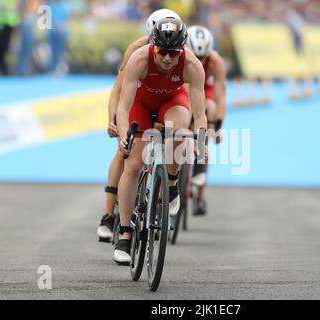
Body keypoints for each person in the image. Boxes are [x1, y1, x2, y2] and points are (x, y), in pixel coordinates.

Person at [113, 17, 207, 264]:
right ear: (153, 46)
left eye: (173, 53)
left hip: (172, 102)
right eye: (162, 52)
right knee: (132, 164)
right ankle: (125, 233)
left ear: (182, 51)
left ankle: (172, 182)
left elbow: (199, 115)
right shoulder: (139, 59)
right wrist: (125, 136)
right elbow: (123, 108)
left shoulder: (193, 66)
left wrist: (201, 143)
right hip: (140, 105)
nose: (167, 58)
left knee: (179, 131)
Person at [97, 8, 181, 242]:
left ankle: (157, 203)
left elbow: (185, 93)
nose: (167, 53)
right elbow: (119, 88)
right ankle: (108, 215)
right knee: (125, 153)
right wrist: (112, 118)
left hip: (164, 101)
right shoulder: (136, 50)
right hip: (136, 100)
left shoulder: (179, 53)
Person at [186, 25, 227, 216]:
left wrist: (217, 125)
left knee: (209, 110)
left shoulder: (216, 62)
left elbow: (220, 98)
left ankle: (200, 196)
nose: (200, 61)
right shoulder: (180, 57)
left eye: (204, 57)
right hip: (184, 87)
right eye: (196, 56)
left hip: (205, 90)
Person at [0, 0, 21, 75]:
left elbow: (17, 8)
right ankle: (2, 66)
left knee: (6, 47)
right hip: (0, 23)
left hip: (11, 23)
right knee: (0, 46)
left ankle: (4, 67)